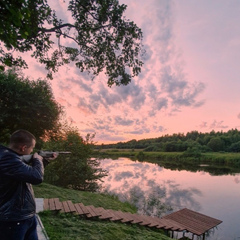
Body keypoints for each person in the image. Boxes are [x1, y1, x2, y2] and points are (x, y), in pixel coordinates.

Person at [0, 129, 45, 240]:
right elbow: (37, 177)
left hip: (24, 216)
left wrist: (44, 161)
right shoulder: (7, 159)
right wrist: (38, 160)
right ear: (23, 148)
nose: (32, 151)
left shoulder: (12, 157)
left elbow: (29, 174)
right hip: (13, 219)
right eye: (32, 148)